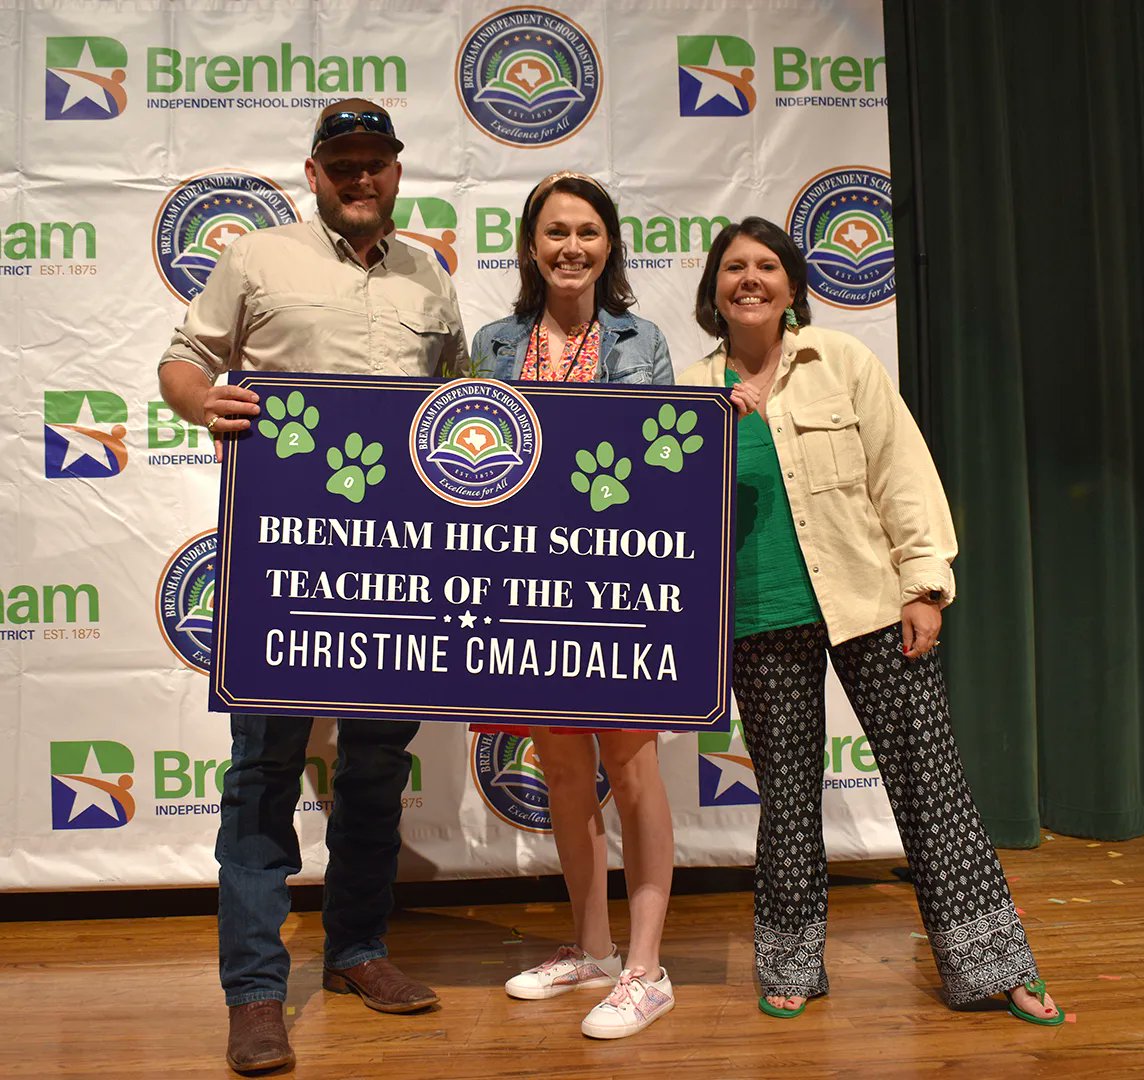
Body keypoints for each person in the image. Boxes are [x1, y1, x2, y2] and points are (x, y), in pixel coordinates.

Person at [680, 216, 1063, 1025]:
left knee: (930, 780)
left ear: (791, 287)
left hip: (868, 603)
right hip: (758, 616)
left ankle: (997, 966)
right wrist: (714, 428)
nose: (750, 278)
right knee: (785, 796)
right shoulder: (692, 389)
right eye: (733, 268)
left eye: (767, 267)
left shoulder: (843, 361)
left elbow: (902, 473)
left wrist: (924, 584)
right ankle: (791, 966)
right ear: (714, 290)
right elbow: (672, 518)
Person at [158, 99, 467, 1074]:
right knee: (263, 773)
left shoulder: (428, 275)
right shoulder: (256, 257)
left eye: (376, 161)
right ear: (314, 171)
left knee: (375, 767)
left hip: (399, 566)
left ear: (397, 172)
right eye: (344, 163)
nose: (361, 176)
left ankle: (358, 952)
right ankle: (255, 994)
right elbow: (183, 357)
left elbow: (461, 402)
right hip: (285, 563)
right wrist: (203, 399)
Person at [470, 171, 677, 1039]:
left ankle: (646, 969)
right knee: (561, 769)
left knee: (631, 769)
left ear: (609, 246)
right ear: (530, 245)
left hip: (620, 586)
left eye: (588, 232)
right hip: (527, 587)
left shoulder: (645, 340)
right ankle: (592, 950)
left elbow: (672, 463)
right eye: (556, 232)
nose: (571, 247)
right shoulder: (490, 343)